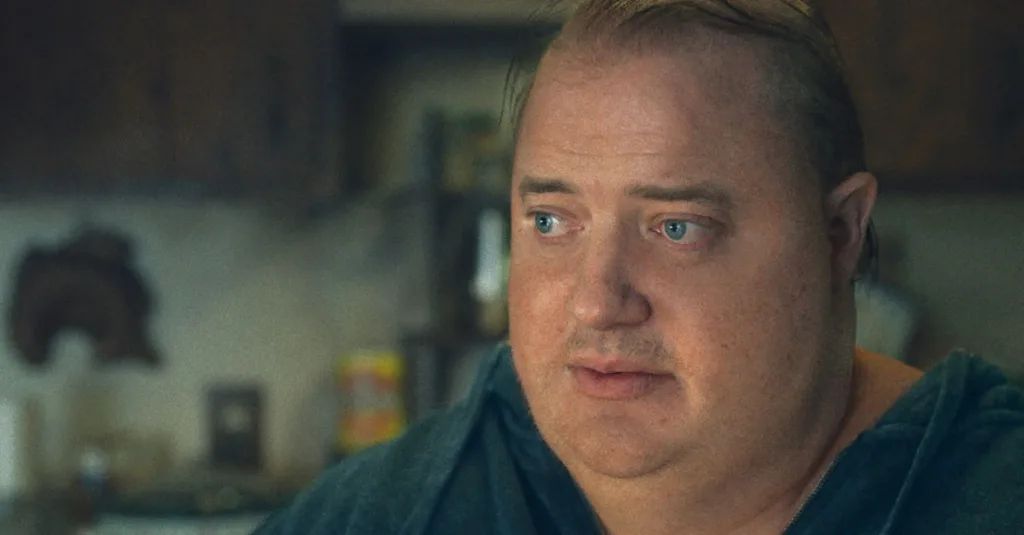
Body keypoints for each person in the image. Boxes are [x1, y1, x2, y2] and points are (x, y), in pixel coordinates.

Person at [256, 1, 1024, 533]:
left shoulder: (991, 495)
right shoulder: (398, 508)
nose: (596, 302)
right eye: (551, 220)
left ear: (840, 231)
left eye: (676, 227)